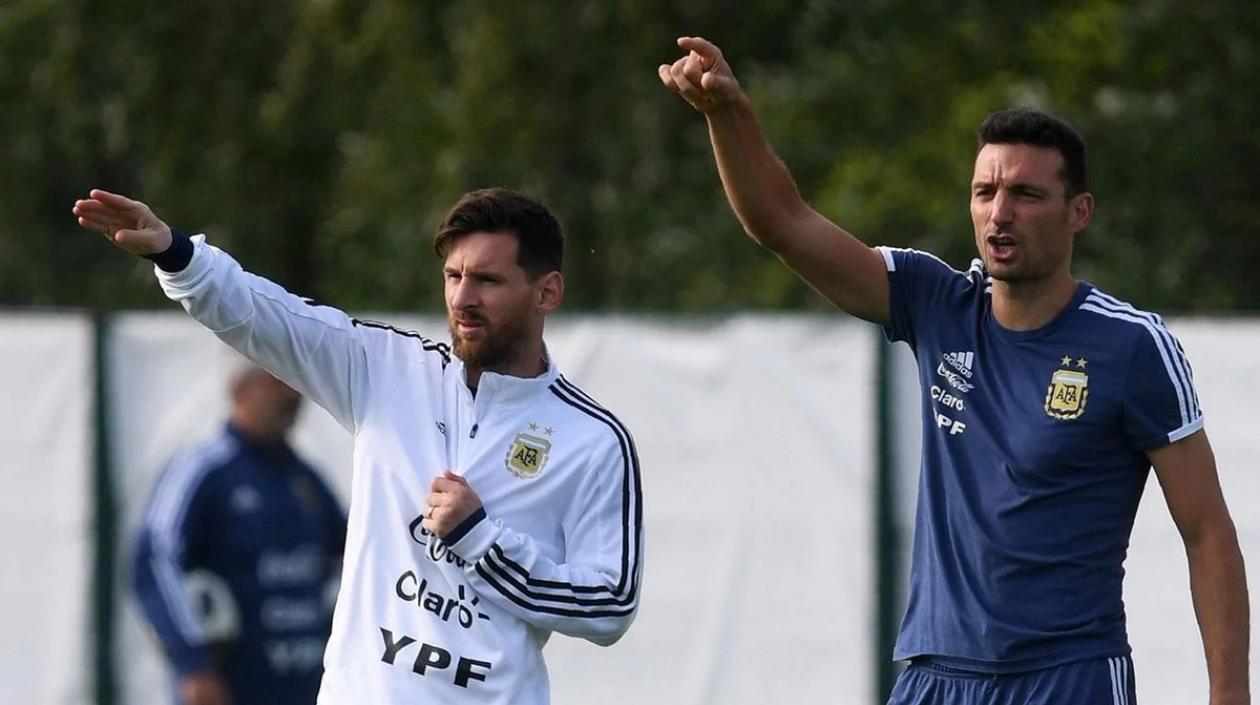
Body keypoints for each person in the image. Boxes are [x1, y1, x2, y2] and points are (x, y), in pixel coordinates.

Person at [659, 36, 1248, 704]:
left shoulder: (1131, 345)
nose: (1000, 212)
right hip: (933, 675)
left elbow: (1206, 530)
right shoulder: (934, 302)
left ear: (1077, 212)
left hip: (1067, 679)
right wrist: (726, 114)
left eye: (1026, 193)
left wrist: (1228, 693)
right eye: (985, 191)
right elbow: (782, 223)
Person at [76, 187, 644, 705]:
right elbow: (270, 317)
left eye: (488, 281)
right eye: (453, 277)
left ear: (547, 291)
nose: (463, 298)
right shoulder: (389, 371)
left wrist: (482, 542)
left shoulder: (592, 440)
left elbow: (609, 606)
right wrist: (177, 254)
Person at [133, 364, 347, 705]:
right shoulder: (204, 469)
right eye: (278, 382)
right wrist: (193, 663)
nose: (292, 395)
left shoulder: (306, 478)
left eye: (296, 384)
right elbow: (154, 561)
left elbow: (353, 558)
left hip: (305, 688)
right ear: (239, 390)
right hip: (228, 688)